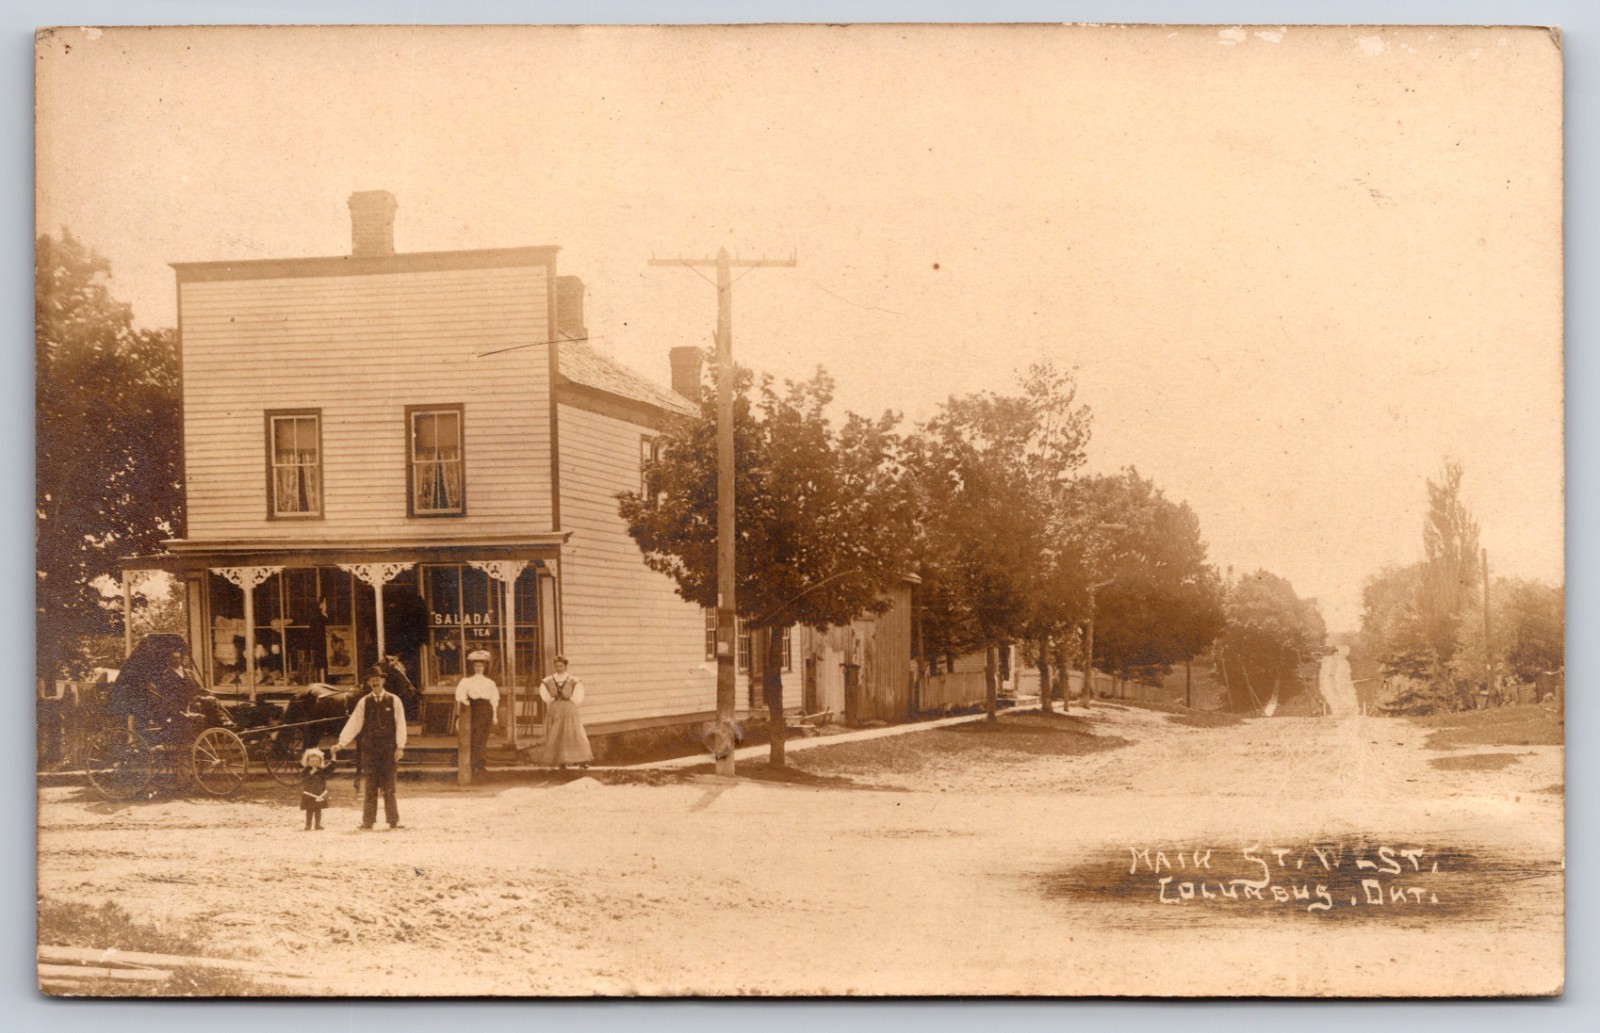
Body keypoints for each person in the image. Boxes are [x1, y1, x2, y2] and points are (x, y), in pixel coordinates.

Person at [333, 664, 407, 830]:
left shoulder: (394, 700)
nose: (375, 682)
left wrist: (400, 747)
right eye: (372, 680)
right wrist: (341, 743)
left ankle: (393, 820)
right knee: (370, 786)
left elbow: (401, 724)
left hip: (388, 749)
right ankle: (368, 821)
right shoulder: (364, 702)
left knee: (389, 787)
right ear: (368, 683)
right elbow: (354, 724)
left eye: (378, 679)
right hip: (370, 749)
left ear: (383, 681)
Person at [539, 655, 593, 769]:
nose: (559, 668)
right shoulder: (548, 680)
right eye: (556, 666)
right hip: (555, 708)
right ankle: (561, 761)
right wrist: (551, 700)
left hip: (569, 708)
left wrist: (571, 700)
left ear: (565, 666)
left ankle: (582, 761)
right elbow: (544, 693)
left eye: (561, 666)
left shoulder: (573, 680)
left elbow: (578, 694)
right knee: (558, 734)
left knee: (574, 733)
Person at [455, 649, 500, 773]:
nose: (478, 668)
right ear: (473, 667)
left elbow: (494, 699)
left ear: (484, 667)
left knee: (483, 738)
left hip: (486, 710)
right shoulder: (467, 681)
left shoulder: (490, 683)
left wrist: (495, 715)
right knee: (474, 737)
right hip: (474, 710)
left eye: (480, 666)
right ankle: (473, 763)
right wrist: (467, 704)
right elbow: (460, 696)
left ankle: (480, 764)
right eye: (476, 666)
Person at [299, 747, 335, 831]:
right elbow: (303, 779)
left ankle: (317, 825)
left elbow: (331, 768)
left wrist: (333, 756)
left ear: (320, 761)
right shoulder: (305, 771)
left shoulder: (321, 770)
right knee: (309, 811)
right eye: (312, 761)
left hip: (319, 794)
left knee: (318, 811)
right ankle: (308, 825)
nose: (314, 763)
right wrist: (311, 773)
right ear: (308, 761)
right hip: (309, 795)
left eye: (316, 761)